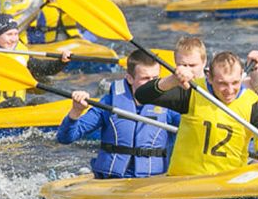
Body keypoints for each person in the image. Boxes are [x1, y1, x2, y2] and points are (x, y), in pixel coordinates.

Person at [135, 51, 258, 176]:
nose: (229, 90)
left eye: (235, 83)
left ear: (242, 77)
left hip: (228, 183)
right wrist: (172, 80)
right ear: (209, 78)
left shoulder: (251, 105)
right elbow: (142, 95)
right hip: (187, 180)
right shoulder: (192, 93)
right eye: (222, 84)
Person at [57, 50, 181, 178]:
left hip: (153, 180)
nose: (151, 84)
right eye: (145, 78)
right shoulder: (109, 103)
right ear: (130, 78)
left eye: (155, 78)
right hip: (113, 180)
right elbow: (65, 138)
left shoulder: (170, 106)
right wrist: (76, 111)